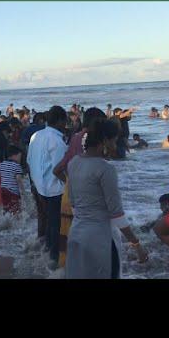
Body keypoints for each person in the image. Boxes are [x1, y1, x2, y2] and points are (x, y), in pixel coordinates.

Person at [66, 118, 148, 279]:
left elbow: (73, 204)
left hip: (76, 234)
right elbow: (116, 214)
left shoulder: (74, 162)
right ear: (104, 140)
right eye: (114, 140)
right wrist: (137, 244)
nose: (115, 144)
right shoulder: (105, 169)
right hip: (101, 240)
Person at [53, 107, 106, 268]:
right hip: (87, 200)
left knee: (69, 241)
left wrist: (71, 183)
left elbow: (57, 170)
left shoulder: (75, 137)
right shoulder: (92, 140)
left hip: (69, 197)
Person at [27, 106, 68, 268]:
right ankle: (54, 259)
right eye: (65, 121)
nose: (66, 124)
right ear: (59, 121)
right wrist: (70, 186)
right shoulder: (56, 140)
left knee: (48, 222)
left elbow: (29, 161)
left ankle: (47, 255)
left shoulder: (36, 135)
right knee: (56, 225)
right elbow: (59, 169)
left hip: (39, 186)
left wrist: (36, 182)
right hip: (54, 189)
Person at [0, 145, 25, 215]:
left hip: (2, 190)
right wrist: (23, 191)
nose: (20, 159)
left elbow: (0, 175)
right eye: (20, 156)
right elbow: (18, 179)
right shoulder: (16, 166)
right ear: (14, 155)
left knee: (6, 208)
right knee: (16, 210)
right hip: (13, 192)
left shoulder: (2, 164)